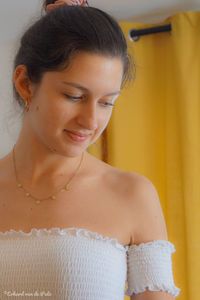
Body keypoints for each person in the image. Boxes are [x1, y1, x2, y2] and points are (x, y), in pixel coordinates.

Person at [0, 1, 181, 299]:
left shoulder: (131, 194)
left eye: (107, 102)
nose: (90, 121)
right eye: (74, 96)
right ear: (24, 83)